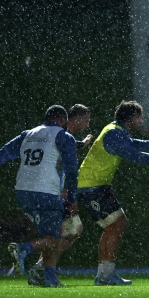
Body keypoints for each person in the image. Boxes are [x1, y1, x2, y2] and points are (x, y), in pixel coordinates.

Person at [77, 100, 149, 285]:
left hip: (96, 185)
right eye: (139, 117)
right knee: (117, 225)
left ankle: (104, 275)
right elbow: (134, 155)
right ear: (130, 119)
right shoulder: (113, 134)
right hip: (91, 186)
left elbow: (132, 143)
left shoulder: (116, 130)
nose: (141, 121)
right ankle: (105, 274)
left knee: (114, 226)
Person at [0, 105, 79, 288]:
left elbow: (4, 152)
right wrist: (71, 194)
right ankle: (23, 248)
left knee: (48, 236)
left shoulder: (28, 134)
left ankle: (48, 278)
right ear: (63, 120)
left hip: (23, 192)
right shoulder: (64, 136)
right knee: (55, 238)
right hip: (47, 191)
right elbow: (72, 170)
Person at [26, 103, 94, 285]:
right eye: (86, 120)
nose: (87, 125)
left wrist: (83, 144)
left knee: (69, 231)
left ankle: (41, 269)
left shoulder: (61, 134)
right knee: (68, 232)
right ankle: (39, 267)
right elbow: (63, 166)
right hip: (56, 193)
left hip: (52, 191)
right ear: (75, 119)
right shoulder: (61, 134)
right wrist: (68, 193)